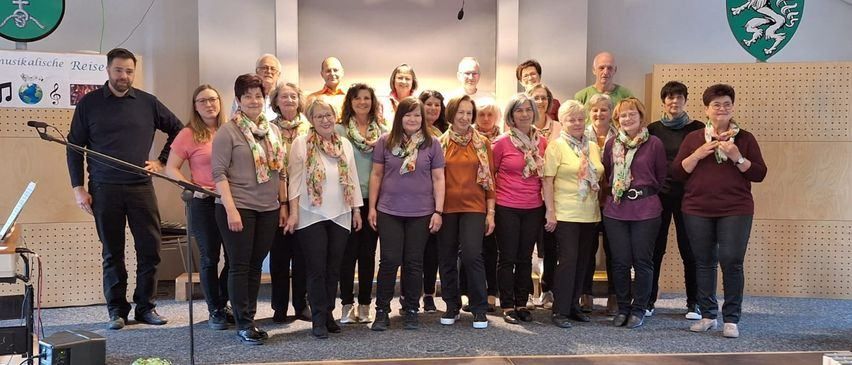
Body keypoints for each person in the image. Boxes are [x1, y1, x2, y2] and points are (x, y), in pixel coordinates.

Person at [66, 48, 182, 330]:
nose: (124, 76)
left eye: (129, 71)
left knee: (150, 250)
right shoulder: (89, 104)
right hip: (104, 188)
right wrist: (78, 187)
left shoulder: (147, 102)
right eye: (118, 70)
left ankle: (146, 307)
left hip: (140, 186)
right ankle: (117, 311)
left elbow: (179, 130)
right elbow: (73, 147)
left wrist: (162, 161)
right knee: (112, 252)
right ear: (108, 70)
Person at [674, 84, 766, 338]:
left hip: (736, 209)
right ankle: (707, 316)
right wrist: (698, 154)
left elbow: (759, 173)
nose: (722, 108)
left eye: (726, 104)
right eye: (716, 105)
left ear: (732, 107)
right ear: (707, 110)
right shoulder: (693, 139)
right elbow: (677, 173)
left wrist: (738, 157)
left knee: (731, 261)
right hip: (697, 208)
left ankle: (732, 320)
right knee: (703, 262)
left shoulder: (744, 138)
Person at [212, 74, 287, 345]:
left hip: (268, 207)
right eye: (247, 96)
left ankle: (250, 318)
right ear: (238, 100)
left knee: (256, 266)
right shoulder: (227, 131)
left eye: (258, 96)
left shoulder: (272, 131)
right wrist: (231, 210)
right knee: (240, 266)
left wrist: (282, 205)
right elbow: (218, 174)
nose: (254, 101)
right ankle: (243, 323)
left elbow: (280, 172)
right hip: (238, 207)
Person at [285, 99, 363, 339]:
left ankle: (328, 313)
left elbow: (352, 178)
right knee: (317, 268)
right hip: (311, 214)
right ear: (311, 120)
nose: (326, 120)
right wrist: (294, 212)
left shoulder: (345, 145)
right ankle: (318, 318)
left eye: (328, 115)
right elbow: (294, 181)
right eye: (319, 116)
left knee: (333, 268)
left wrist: (357, 210)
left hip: (340, 212)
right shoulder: (302, 144)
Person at [369, 97, 445, 331]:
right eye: (407, 114)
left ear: (422, 119)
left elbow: (439, 178)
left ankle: (411, 309)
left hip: (421, 212)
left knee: (414, 263)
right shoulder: (385, 141)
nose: (412, 119)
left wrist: (438, 211)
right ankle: (382, 311)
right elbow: (376, 175)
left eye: (417, 115)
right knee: (389, 261)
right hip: (389, 210)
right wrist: (371, 207)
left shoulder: (432, 144)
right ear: (399, 117)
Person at [165, 84, 232, 330]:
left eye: (212, 99)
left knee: (235, 257)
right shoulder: (188, 133)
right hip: (203, 203)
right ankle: (215, 309)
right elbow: (170, 168)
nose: (208, 104)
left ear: (220, 102)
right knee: (209, 258)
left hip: (230, 202)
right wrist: (193, 188)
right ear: (195, 106)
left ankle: (224, 303)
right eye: (202, 101)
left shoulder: (230, 129)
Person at [601, 97, 667, 329]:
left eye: (632, 114)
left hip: (646, 210)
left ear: (641, 117)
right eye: (622, 115)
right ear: (617, 120)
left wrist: (640, 192)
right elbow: (608, 174)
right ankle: (622, 307)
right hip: (616, 210)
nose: (627, 119)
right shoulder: (611, 145)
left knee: (642, 261)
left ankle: (639, 309)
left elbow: (660, 177)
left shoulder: (654, 143)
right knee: (619, 262)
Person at [543, 100, 604, 328]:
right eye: (571, 119)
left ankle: (574, 306)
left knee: (584, 261)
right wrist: (550, 212)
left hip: (590, 212)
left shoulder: (593, 146)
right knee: (568, 260)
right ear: (562, 122)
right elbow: (547, 181)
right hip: (566, 213)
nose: (577, 123)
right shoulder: (556, 146)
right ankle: (560, 310)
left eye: (580, 119)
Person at [436, 95, 495, 329]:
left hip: (475, 207)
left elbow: (490, 181)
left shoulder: (483, 143)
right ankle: (451, 305)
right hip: (446, 209)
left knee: (472, 256)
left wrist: (490, 212)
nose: (464, 117)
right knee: (447, 258)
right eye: (460, 112)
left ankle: (479, 307)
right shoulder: (439, 143)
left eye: (469, 113)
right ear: (452, 114)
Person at [646, 81, 704, 319]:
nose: (674, 102)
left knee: (689, 250)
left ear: (685, 100)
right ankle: (648, 301)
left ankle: (694, 302)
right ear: (663, 101)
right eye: (670, 98)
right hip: (659, 196)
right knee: (654, 249)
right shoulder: (653, 129)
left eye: (679, 97)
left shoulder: (698, 128)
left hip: (689, 196)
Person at [492, 93, 547, 324]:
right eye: (519, 110)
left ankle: (522, 302)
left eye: (528, 109)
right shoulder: (501, 143)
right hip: (506, 206)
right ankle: (506, 304)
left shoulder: (542, 142)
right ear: (511, 116)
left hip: (534, 207)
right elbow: (491, 175)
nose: (524, 114)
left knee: (525, 257)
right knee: (507, 257)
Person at [335, 83, 387, 324]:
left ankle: (365, 304)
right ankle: (346, 303)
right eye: (357, 99)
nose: (362, 102)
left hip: (374, 201)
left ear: (372, 102)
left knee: (367, 254)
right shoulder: (339, 131)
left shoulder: (385, 133)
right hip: (346, 201)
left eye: (367, 98)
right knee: (346, 254)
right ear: (350, 102)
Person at [267, 82, 312, 323]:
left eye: (293, 96)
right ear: (275, 102)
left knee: (302, 254)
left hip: (305, 198)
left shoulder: (309, 128)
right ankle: (279, 306)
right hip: (277, 198)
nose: (289, 101)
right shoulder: (268, 128)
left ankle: (301, 303)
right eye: (284, 97)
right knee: (280, 255)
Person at [580, 93, 618, 315]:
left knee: (614, 250)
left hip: (613, 201)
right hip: (589, 201)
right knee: (588, 249)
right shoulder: (582, 135)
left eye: (604, 109)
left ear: (610, 112)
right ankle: (586, 293)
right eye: (594, 109)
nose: (599, 114)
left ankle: (614, 296)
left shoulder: (620, 135)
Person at [527, 83, 561, 310]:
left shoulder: (559, 127)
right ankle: (529, 291)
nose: (540, 102)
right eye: (535, 98)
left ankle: (548, 290)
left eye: (544, 98)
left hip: (552, 195)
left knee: (550, 246)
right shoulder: (520, 127)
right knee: (526, 245)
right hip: (527, 195)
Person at [417, 89, 450, 312]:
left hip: (442, 198)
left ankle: (429, 295)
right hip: (418, 198)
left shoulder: (447, 132)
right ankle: (410, 295)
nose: (433, 108)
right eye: (428, 104)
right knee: (414, 251)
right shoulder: (412, 131)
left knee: (433, 251)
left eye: (437, 104)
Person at [575, 52, 634, 120]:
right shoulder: (581, 97)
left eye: (609, 68)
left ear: (615, 70)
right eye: (601, 68)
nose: (605, 72)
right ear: (594, 70)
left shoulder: (626, 96)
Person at [231, 54, 283, 122]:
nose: (269, 71)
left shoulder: (283, 98)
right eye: (264, 67)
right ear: (257, 71)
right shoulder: (243, 96)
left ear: (278, 74)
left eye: (273, 69)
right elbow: (234, 121)